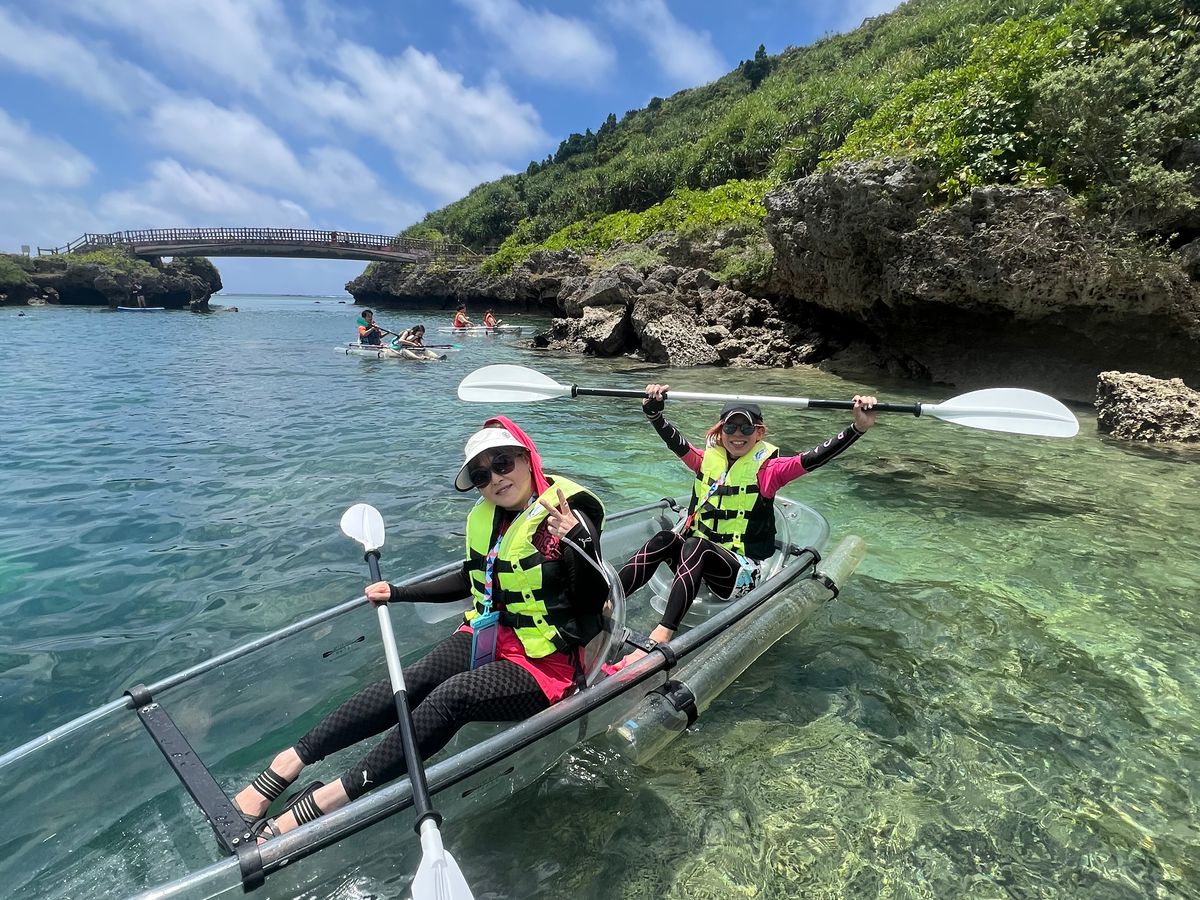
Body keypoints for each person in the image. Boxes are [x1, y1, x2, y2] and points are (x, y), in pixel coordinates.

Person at [233, 418, 609, 839]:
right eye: (481, 475)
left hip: (548, 662)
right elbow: (470, 579)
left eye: (503, 463)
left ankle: (331, 798)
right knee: (413, 679)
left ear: (526, 458)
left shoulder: (567, 513)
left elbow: (592, 600)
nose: (495, 479)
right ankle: (286, 764)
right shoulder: (492, 518)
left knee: (452, 696)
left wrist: (580, 542)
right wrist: (398, 593)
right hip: (490, 634)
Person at [607, 383, 877, 672]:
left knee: (695, 545)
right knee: (665, 538)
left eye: (746, 428)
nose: (738, 435)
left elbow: (815, 457)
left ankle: (662, 635)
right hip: (698, 563)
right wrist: (653, 413)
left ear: (759, 433)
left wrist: (857, 428)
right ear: (720, 432)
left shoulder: (770, 472)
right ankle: (605, 603)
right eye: (731, 427)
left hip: (742, 573)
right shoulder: (704, 461)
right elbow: (675, 441)